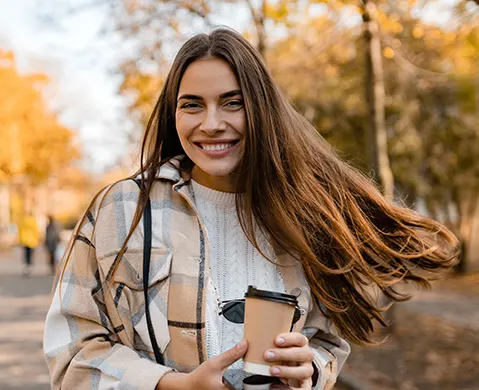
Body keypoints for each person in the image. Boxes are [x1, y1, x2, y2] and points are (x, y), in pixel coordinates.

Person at [43, 28, 458, 390]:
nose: (211, 123)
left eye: (232, 102)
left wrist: (308, 370)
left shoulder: (305, 213)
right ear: (173, 115)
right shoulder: (121, 210)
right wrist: (174, 386)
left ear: (261, 109)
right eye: (192, 105)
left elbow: (328, 343)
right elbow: (71, 352)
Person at [18, 213, 40, 277]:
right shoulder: (33, 221)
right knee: (30, 254)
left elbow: (20, 230)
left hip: (24, 240)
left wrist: (20, 239)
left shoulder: (23, 221)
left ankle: (26, 267)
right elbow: (36, 231)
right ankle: (29, 266)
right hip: (32, 241)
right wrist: (36, 240)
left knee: (25, 254)